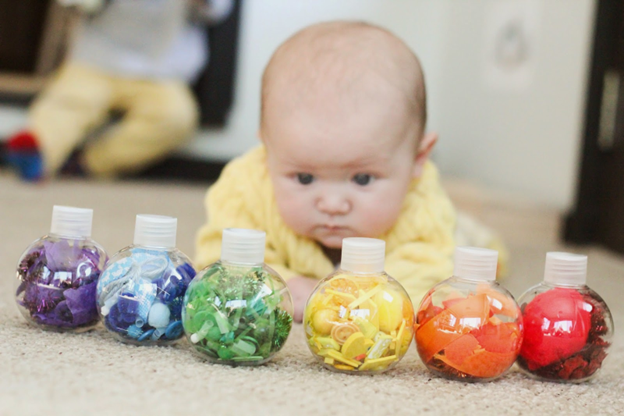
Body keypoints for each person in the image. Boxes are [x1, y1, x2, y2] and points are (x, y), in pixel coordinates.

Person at [195, 21, 457, 322]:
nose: (332, 205)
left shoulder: (422, 205)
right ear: (268, 152)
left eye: (362, 178)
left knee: (465, 244)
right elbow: (220, 257)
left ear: (418, 159)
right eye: (305, 178)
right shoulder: (246, 187)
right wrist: (283, 284)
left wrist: (361, 299)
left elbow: (426, 278)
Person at [5, 0, 233, 180]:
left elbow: (216, 10)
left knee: (176, 117)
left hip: (161, 69)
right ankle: (38, 152)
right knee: (70, 101)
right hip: (97, 59)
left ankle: (89, 164)